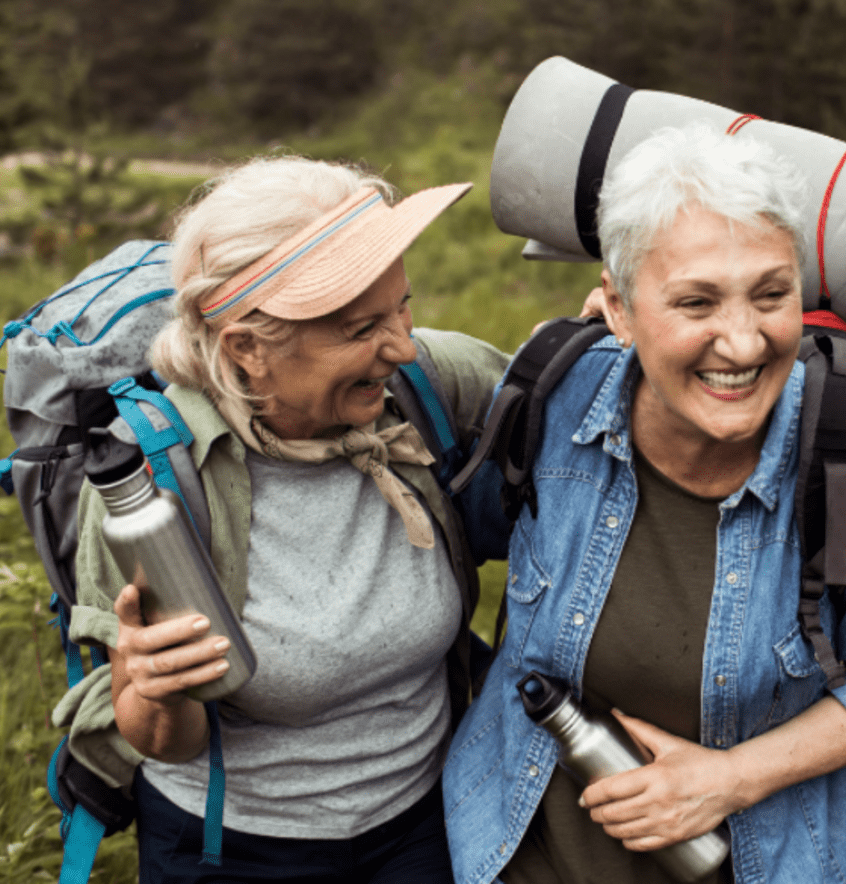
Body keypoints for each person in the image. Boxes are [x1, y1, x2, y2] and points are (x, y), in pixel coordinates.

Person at [444, 123, 846, 884]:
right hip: (512, 854)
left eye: (771, 294)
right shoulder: (551, 401)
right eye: (696, 302)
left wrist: (732, 778)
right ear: (617, 309)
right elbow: (456, 541)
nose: (743, 343)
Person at [55, 157, 511, 883]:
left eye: (402, 306)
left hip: (425, 821)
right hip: (235, 849)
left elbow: (589, 415)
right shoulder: (153, 480)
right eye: (361, 327)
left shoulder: (423, 386)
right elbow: (163, 739)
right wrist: (153, 689)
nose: (400, 344)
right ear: (247, 348)